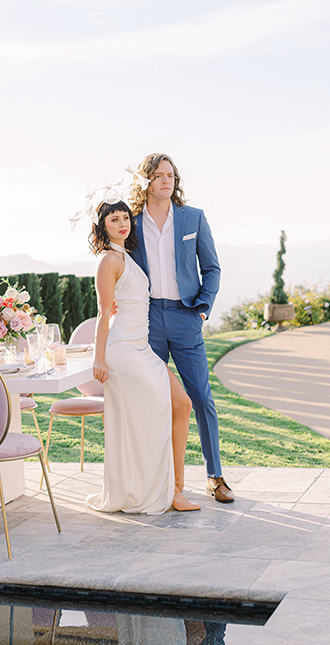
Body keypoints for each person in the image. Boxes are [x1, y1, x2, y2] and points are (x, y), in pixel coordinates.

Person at [129, 153, 234, 503]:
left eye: (170, 175)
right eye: (158, 175)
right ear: (145, 181)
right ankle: (158, 480)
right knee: (154, 399)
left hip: (186, 316)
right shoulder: (130, 221)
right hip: (147, 319)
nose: (166, 180)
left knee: (201, 397)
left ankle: (215, 476)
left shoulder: (194, 218)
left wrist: (202, 310)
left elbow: (212, 268)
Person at [86, 200, 200, 514]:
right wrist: (99, 358)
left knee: (182, 403)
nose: (123, 223)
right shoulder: (109, 260)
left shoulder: (127, 257)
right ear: (103, 226)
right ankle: (168, 492)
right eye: (114, 219)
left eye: (125, 218)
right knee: (160, 409)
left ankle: (174, 488)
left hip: (141, 347)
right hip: (122, 350)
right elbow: (103, 312)